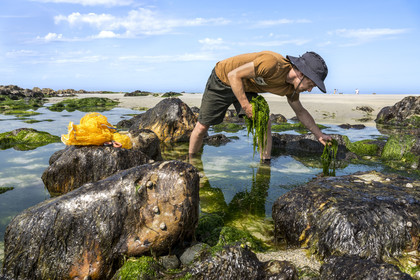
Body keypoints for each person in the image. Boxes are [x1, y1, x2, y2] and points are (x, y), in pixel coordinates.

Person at [189, 51, 332, 161]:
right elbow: (234, 75)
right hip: (223, 79)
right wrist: (245, 105)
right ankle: (192, 162)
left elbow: (300, 112)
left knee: (264, 121)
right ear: (301, 74)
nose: (309, 90)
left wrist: (319, 135)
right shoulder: (272, 64)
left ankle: (265, 163)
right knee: (202, 127)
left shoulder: (291, 88)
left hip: (247, 88)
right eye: (311, 85)